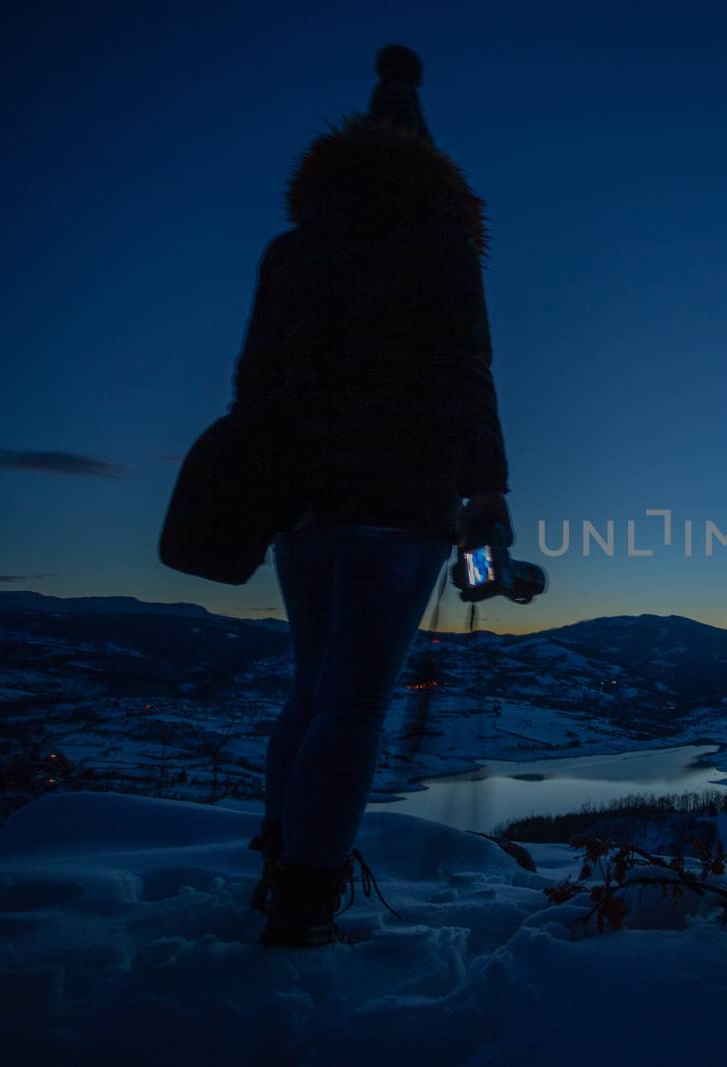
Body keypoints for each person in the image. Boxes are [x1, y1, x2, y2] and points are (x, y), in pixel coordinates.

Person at [234, 44, 511, 947]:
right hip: (399, 506)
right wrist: (488, 498)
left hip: (301, 503)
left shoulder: (290, 254)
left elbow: (254, 384)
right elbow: (468, 375)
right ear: (432, 173)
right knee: (352, 705)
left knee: (311, 692)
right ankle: (307, 901)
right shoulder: (440, 249)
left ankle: (283, 863)